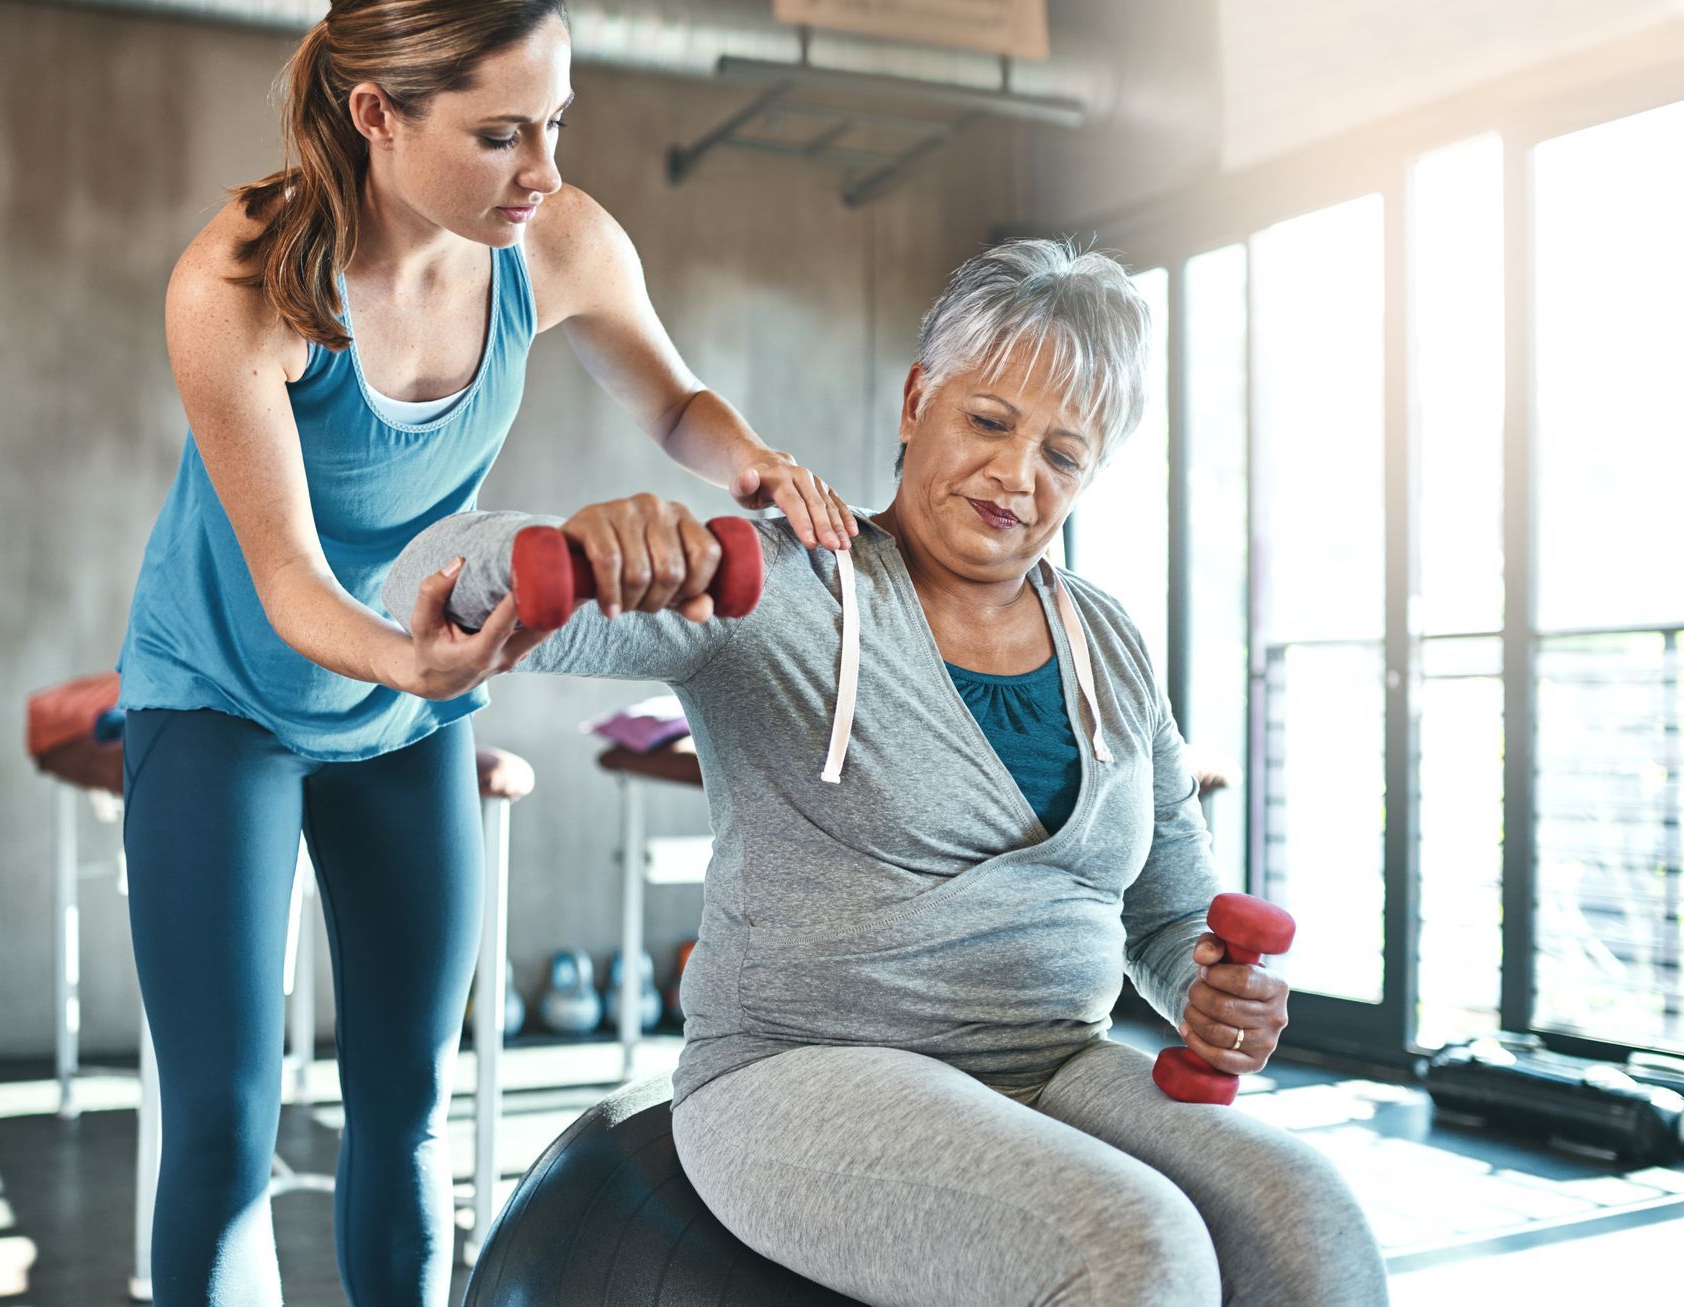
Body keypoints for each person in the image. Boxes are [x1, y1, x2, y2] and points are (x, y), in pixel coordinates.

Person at [386, 239, 1391, 1306]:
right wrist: (575, 550)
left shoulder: (1111, 641)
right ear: (919, 400)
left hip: (1051, 1060)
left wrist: (1213, 991)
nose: (1017, 475)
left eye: (1063, 450)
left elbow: (1170, 915)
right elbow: (428, 574)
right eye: (991, 422)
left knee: (1311, 1221)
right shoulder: (784, 585)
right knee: (1137, 1250)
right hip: (802, 1069)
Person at [113, 3, 857, 1303]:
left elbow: (673, 398)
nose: (546, 172)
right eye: (502, 134)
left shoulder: (555, 240)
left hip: (404, 711)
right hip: (226, 695)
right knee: (226, 1130)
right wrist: (418, 667)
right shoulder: (239, 285)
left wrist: (751, 461)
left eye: (556, 126)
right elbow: (290, 578)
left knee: (403, 1104)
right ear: (377, 117)